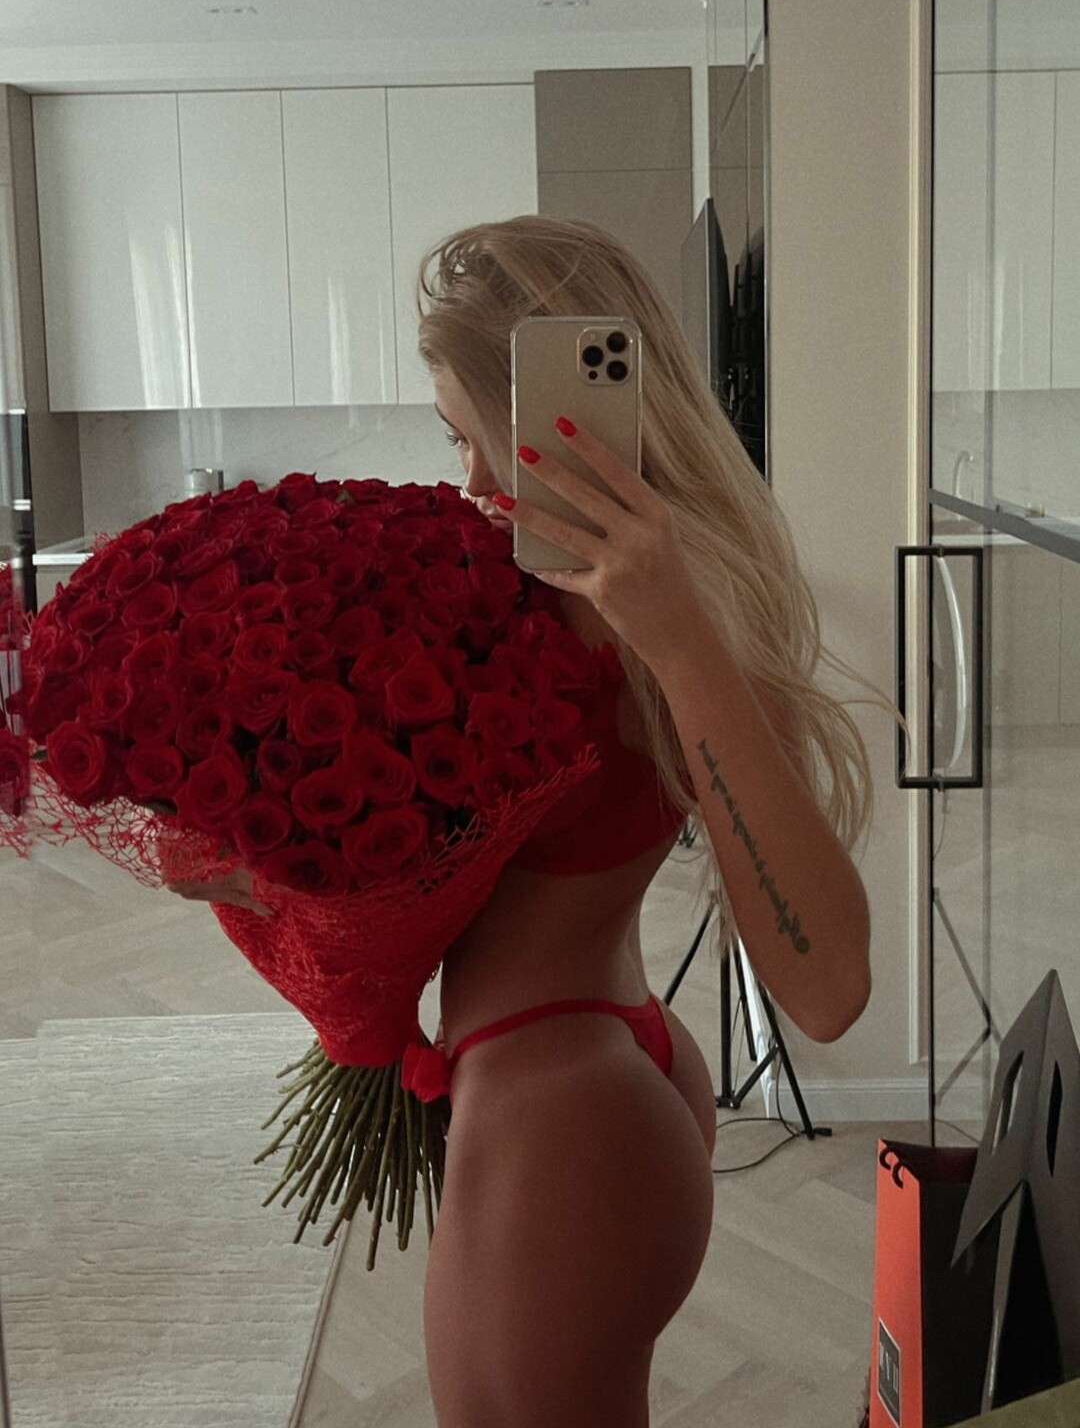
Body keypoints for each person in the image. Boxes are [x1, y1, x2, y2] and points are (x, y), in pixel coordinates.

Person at [172, 213, 903, 1428]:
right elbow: (439, 860)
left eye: (482, 441)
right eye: (452, 439)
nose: (467, 481)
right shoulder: (517, 606)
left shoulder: (678, 622)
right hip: (590, 1068)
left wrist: (678, 636)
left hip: (560, 1121)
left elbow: (827, 992)